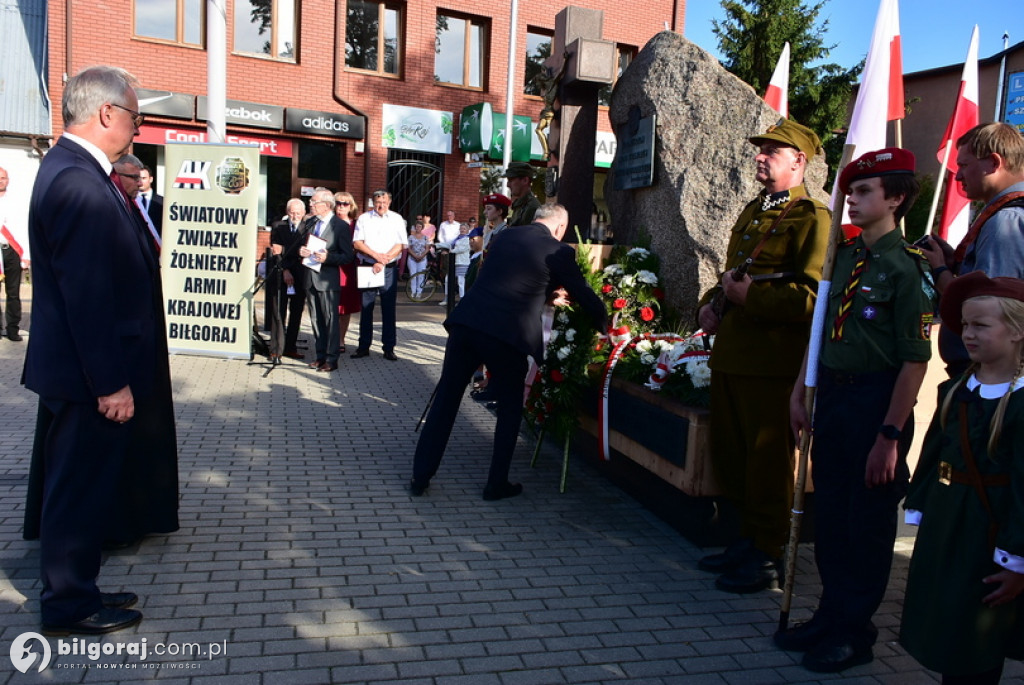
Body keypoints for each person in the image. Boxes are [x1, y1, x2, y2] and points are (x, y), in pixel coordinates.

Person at [22, 65, 176, 635]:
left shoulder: (75, 171)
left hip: (82, 370)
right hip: (90, 377)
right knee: (76, 491)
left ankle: (79, 585)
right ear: (107, 113)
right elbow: (88, 296)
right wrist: (110, 383)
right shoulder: (78, 182)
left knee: (82, 487)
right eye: (134, 116)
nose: (137, 127)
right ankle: (68, 603)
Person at [777, 148, 935, 673]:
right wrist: (801, 389)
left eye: (865, 191)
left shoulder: (906, 268)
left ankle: (855, 631)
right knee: (832, 512)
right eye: (850, 190)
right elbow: (819, 330)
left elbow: (915, 362)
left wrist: (890, 435)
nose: (851, 200)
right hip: (836, 397)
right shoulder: (841, 256)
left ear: (896, 198)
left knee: (864, 521)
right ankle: (830, 613)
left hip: (877, 401)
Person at [694, 119, 830, 594]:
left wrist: (752, 299)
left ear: (799, 161)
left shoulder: (812, 216)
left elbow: (814, 297)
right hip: (733, 355)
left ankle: (769, 551)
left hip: (773, 365)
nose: (761, 156)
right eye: (761, 149)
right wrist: (710, 304)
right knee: (733, 457)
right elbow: (735, 275)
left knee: (768, 461)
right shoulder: (755, 210)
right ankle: (745, 540)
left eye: (774, 150)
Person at [410, 204, 606, 500]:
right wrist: (605, 325)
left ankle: (420, 476)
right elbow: (582, 293)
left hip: (467, 323)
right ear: (560, 227)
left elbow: (514, 276)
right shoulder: (559, 250)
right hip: (506, 335)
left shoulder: (506, 237)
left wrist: (547, 292)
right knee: (510, 408)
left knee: (446, 401)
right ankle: (496, 483)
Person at [899, 271, 1024, 685]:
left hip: (995, 533)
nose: (968, 334)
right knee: (954, 627)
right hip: (952, 525)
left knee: (985, 632)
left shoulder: (1021, 402)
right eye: (965, 325)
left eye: (981, 326)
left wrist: (1016, 560)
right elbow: (934, 453)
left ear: (1018, 331)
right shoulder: (956, 388)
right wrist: (921, 504)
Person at [918, 122, 1024, 378]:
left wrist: (939, 270)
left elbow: (991, 308)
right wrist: (954, 262)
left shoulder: (1005, 221)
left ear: (994, 163)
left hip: (989, 373)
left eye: (964, 165)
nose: (958, 176)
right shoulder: (1003, 215)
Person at [298, 188, 354, 373]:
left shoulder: (340, 226)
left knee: (330, 320)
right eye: (311, 202)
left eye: (314, 202)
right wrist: (302, 251)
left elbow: (347, 256)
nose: (310, 204)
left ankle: (331, 359)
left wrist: (328, 258)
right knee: (316, 320)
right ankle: (320, 356)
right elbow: (303, 244)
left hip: (328, 280)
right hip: (311, 277)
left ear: (326, 205)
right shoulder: (311, 222)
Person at [352, 189, 407, 361]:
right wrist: (376, 257)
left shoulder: (397, 218)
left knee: (388, 310)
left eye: (384, 201)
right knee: (366, 308)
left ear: (389, 202)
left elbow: (401, 244)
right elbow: (357, 243)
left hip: (388, 268)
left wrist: (384, 260)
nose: (380, 205)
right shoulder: (364, 218)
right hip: (368, 266)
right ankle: (363, 346)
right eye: (377, 201)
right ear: (373, 202)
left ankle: (389, 348)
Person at [270, 198, 308, 360]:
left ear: (304, 213)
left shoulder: (308, 228)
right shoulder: (278, 227)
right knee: (278, 311)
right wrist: (285, 270)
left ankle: (290, 347)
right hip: (281, 274)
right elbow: (276, 251)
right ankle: (276, 349)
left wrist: (289, 251)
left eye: (298, 213)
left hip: (300, 276)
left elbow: (305, 251)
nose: (295, 215)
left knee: (296, 312)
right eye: (292, 212)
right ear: (287, 212)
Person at [0, 166, 30, 341]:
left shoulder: (17, 201)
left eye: (3, 177)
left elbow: (23, 229)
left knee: (13, 292)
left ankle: (13, 329)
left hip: (11, 251)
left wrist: (26, 254)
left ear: (8, 180)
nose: (1, 181)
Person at [334, 191, 362, 353]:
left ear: (351, 206)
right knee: (330, 306)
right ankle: (330, 337)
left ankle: (341, 339)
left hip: (349, 270)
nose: (341, 206)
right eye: (338, 203)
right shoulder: (329, 222)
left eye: (345, 203)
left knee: (345, 307)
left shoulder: (356, 225)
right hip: (331, 268)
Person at [504, 162, 541, 227]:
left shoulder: (532, 207)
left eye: (510, 180)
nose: (508, 185)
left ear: (525, 180)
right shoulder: (519, 204)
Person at [136, 164, 162, 236]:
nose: (140, 181)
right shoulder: (130, 200)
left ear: (151, 179)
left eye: (144, 178)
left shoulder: (162, 202)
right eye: (138, 178)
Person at [406, 219, 430, 298]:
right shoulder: (411, 237)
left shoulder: (425, 237)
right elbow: (409, 248)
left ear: (422, 228)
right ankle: (413, 291)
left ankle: (419, 292)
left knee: (421, 275)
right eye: (417, 226)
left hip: (422, 259)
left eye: (420, 226)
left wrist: (421, 256)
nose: (418, 228)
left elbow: (427, 248)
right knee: (413, 275)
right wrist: (415, 256)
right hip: (412, 258)